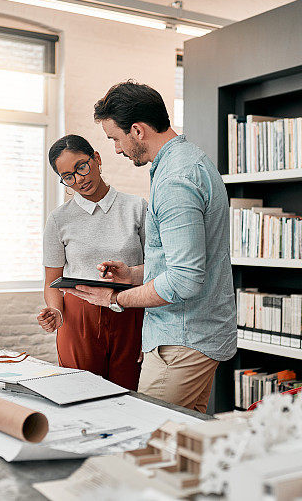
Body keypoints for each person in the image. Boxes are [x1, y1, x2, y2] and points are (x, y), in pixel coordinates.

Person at [63, 81, 236, 413]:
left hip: (181, 341)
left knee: (148, 444)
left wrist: (114, 299)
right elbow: (186, 262)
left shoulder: (175, 180)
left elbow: (184, 280)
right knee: (182, 447)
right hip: (197, 337)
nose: (115, 149)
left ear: (138, 131)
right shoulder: (190, 161)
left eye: (115, 138)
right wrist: (132, 274)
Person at [37, 134, 147, 391]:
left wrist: (151, 329)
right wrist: (56, 311)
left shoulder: (136, 207)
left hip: (130, 314)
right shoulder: (59, 219)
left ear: (96, 159)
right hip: (77, 320)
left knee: (129, 397)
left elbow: (157, 268)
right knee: (81, 397)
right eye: (68, 176)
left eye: (81, 167)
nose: (79, 179)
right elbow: (52, 282)